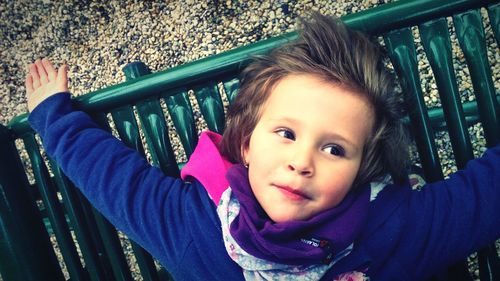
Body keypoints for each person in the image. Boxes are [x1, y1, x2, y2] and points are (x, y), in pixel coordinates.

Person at [25, 13, 499, 281]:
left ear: (362, 170)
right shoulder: (195, 225)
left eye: (334, 149)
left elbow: (485, 195)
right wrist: (53, 116)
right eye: (286, 133)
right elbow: (113, 180)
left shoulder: (395, 227)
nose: (301, 161)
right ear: (246, 144)